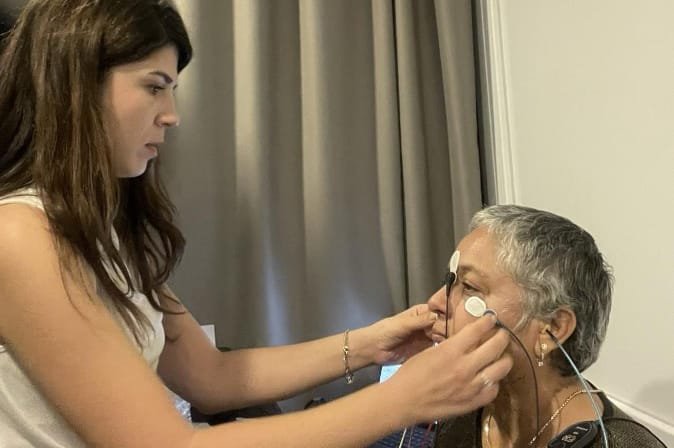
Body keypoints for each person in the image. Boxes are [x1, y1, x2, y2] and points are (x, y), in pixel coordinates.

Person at [0, 1, 514, 447]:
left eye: (171, 89)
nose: (171, 114)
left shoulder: (106, 234)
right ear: (76, 86)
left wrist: (371, 344)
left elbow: (212, 375)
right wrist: (403, 400)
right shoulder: (22, 236)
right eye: (154, 87)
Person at [427, 205, 667, 448]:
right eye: (450, 281)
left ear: (553, 327)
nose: (435, 302)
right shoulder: (461, 406)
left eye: (469, 287)